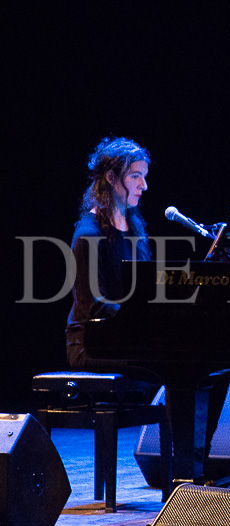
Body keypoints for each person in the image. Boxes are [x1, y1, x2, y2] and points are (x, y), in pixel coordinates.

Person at [66, 137, 151, 370]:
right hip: (91, 345)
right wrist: (144, 320)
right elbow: (94, 305)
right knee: (159, 365)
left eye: (144, 177)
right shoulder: (88, 235)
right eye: (135, 176)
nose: (144, 185)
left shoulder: (134, 229)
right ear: (111, 177)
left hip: (125, 339)